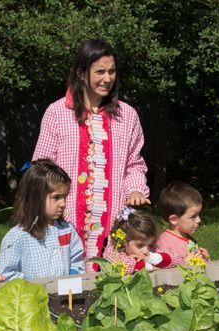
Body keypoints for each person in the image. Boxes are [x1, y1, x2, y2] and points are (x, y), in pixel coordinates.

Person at [32, 38, 150, 267]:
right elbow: (40, 169)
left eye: (112, 71)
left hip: (112, 223)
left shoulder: (127, 116)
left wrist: (135, 188)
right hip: (65, 221)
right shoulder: (57, 113)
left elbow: (134, 163)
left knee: (112, 287)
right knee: (67, 292)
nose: (107, 79)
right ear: (81, 73)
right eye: (100, 72)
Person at [0, 159, 85, 281]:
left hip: (64, 298)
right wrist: (32, 289)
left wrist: (71, 279)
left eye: (65, 196)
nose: (63, 203)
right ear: (36, 197)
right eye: (56, 197)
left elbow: (77, 261)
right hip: (31, 298)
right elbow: (6, 274)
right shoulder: (17, 236)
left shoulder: (67, 230)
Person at [155, 181, 210, 267]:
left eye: (199, 215)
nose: (199, 220)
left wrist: (204, 259)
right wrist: (184, 264)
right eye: (193, 217)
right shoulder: (164, 243)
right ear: (174, 219)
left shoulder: (187, 238)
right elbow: (163, 271)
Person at [102, 208, 172, 275]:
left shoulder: (148, 251)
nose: (146, 251)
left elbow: (172, 258)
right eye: (140, 246)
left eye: (150, 245)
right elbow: (122, 266)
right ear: (124, 241)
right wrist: (148, 266)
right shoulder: (113, 251)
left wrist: (151, 258)